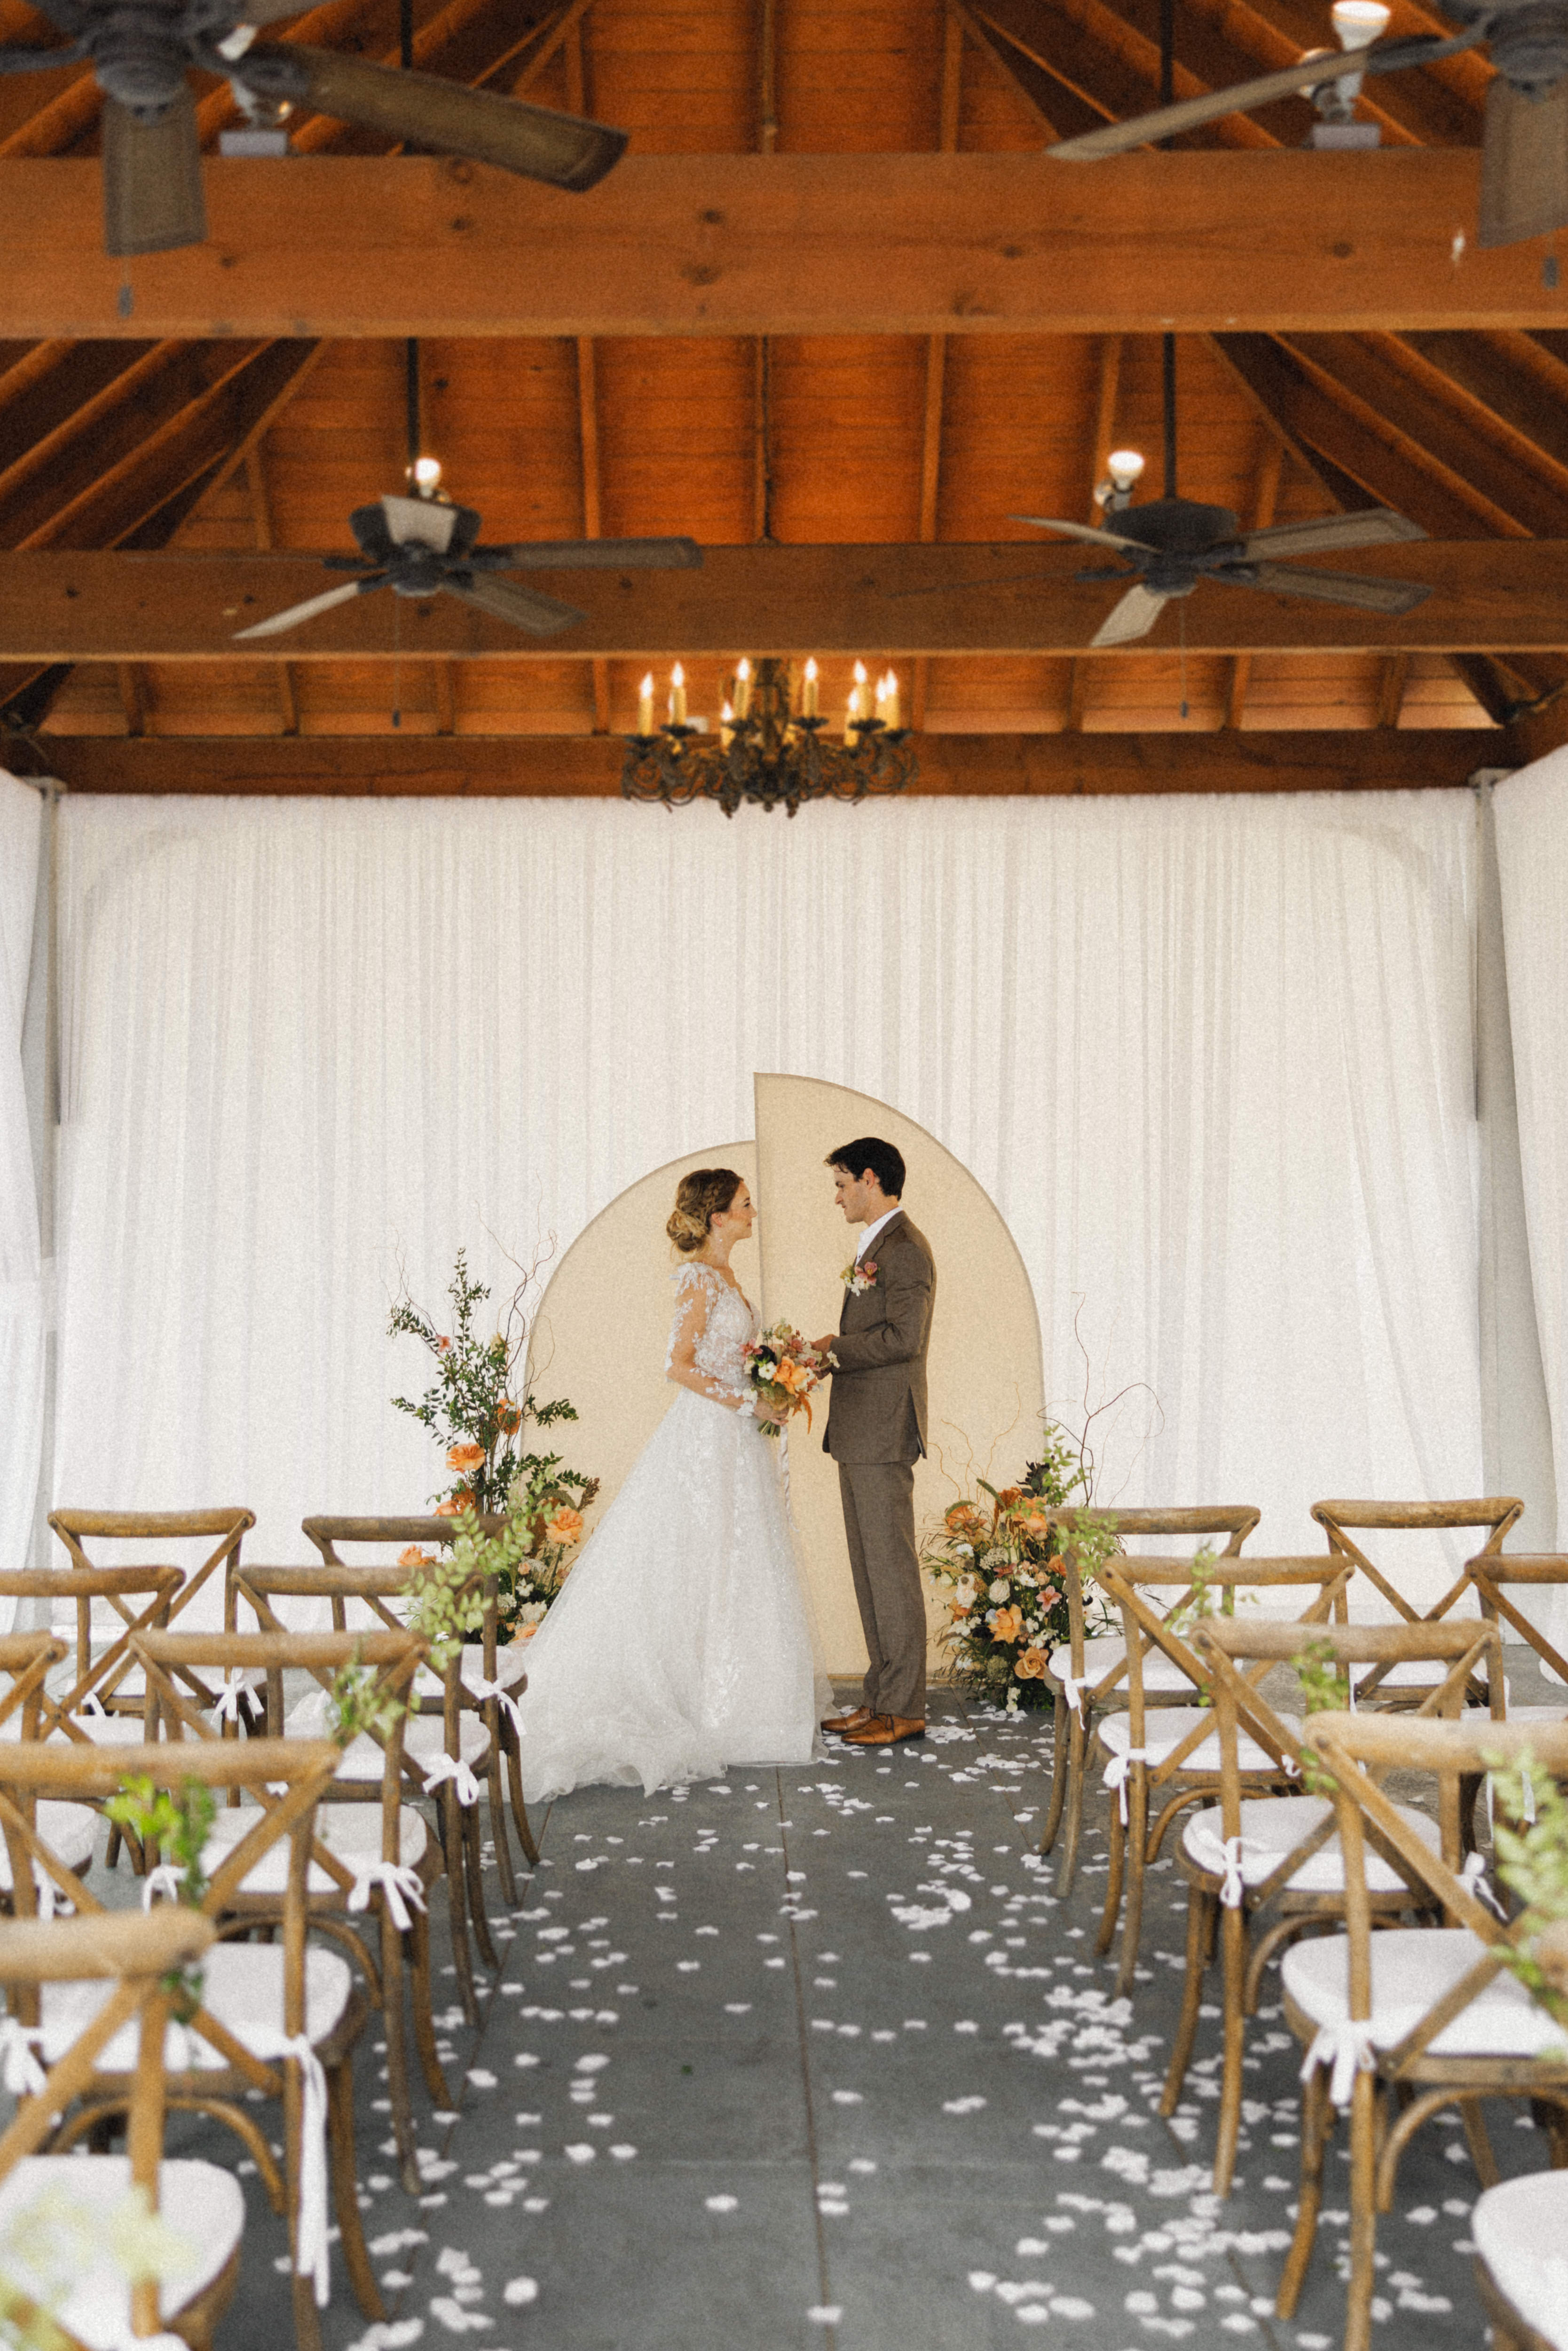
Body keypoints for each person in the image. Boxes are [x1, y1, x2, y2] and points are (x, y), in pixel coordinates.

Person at [513, 1168, 826, 1800]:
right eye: (745, 1204)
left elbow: (731, 1360)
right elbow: (676, 1365)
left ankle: (743, 1710)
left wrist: (776, 1377)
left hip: (735, 1441)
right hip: (707, 1440)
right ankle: (701, 1705)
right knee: (695, 1560)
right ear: (717, 1218)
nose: (753, 1212)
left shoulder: (730, 1278)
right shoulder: (698, 1279)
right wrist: (749, 1405)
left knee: (738, 1562)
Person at [814, 1136, 936, 1750]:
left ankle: (905, 1706)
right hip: (862, 1428)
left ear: (869, 1179)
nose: (837, 1197)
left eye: (841, 1184)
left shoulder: (905, 1249)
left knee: (889, 1570)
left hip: (884, 1429)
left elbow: (903, 1339)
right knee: (870, 1571)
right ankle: (882, 1696)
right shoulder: (879, 1246)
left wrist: (832, 1348)